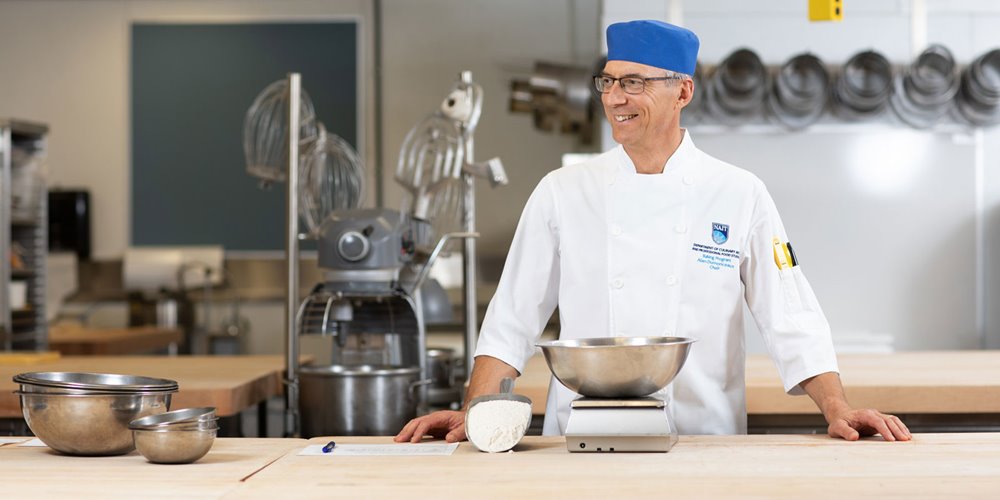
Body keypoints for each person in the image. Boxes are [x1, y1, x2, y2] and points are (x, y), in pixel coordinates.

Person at [396, 19, 910, 443]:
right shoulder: (563, 191)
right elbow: (511, 320)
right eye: (610, 81)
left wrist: (837, 407)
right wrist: (479, 411)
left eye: (635, 82)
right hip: (578, 440)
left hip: (704, 438)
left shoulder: (739, 192)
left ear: (682, 90)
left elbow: (790, 315)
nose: (616, 97)